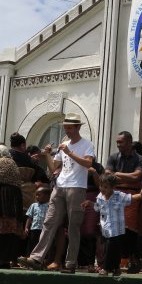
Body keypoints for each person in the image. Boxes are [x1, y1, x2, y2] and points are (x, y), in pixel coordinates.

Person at [19, 114, 95, 274]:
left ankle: (70, 263)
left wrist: (70, 152)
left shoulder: (86, 144)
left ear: (77, 127)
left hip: (77, 187)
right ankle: (37, 258)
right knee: (49, 221)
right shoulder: (64, 144)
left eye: (69, 127)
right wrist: (47, 155)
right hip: (60, 185)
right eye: (65, 127)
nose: (66, 130)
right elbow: (55, 169)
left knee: (73, 226)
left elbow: (89, 163)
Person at [83, 173, 141, 277]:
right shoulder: (100, 197)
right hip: (105, 229)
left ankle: (105, 268)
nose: (102, 189)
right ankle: (116, 268)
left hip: (117, 230)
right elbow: (98, 207)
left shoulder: (119, 196)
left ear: (113, 187)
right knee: (110, 249)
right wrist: (90, 203)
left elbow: (131, 198)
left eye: (106, 187)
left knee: (111, 248)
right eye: (101, 186)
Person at [105, 130, 142, 273]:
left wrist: (117, 174)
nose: (118, 145)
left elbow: (137, 176)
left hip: (133, 197)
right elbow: (107, 175)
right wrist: (122, 177)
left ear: (129, 142)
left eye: (121, 142)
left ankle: (132, 260)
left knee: (130, 230)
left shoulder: (139, 159)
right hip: (115, 195)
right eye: (117, 142)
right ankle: (114, 263)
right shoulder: (113, 157)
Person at [0, 154, 27, 268]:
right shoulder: (13, 164)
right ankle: (6, 260)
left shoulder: (0, 162)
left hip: (1, 197)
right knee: (11, 228)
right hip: (15, 198)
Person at [24, 186, 50, 257]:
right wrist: (26, 227)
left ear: (47, 196)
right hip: (34, 229)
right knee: (32, 244)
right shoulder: (33, 205)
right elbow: (29, 217)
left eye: (39, 195)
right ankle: (29, 258)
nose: (36, 196)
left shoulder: (49, 206)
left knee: (42, 245)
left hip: (44, 230)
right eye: (36, 195)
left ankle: (42, 260)